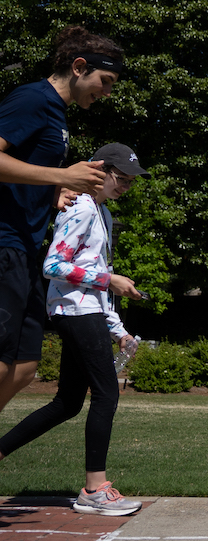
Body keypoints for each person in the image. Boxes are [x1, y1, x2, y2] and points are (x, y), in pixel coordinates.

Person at [0, 144, 148, 515]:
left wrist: (119, 329)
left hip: (85, 311)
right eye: (122, 178)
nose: (127, 185)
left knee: (67, 403)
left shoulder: (102, 212)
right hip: (73, 311)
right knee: (106, 394)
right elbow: (53, 266)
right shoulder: (81, 207)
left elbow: (95, 275)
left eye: (132, 181)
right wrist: (110, 279)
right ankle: (94, 489)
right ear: (100, 172)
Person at [0, 27, 124, 419]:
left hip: (25, 247)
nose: (106, 93)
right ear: (78, 67)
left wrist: (51, 194)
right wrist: (62, 178)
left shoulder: (58, 114)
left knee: (22, 368)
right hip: (4, 243)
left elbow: (22, 170)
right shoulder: (33, 99)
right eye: (104, 82)